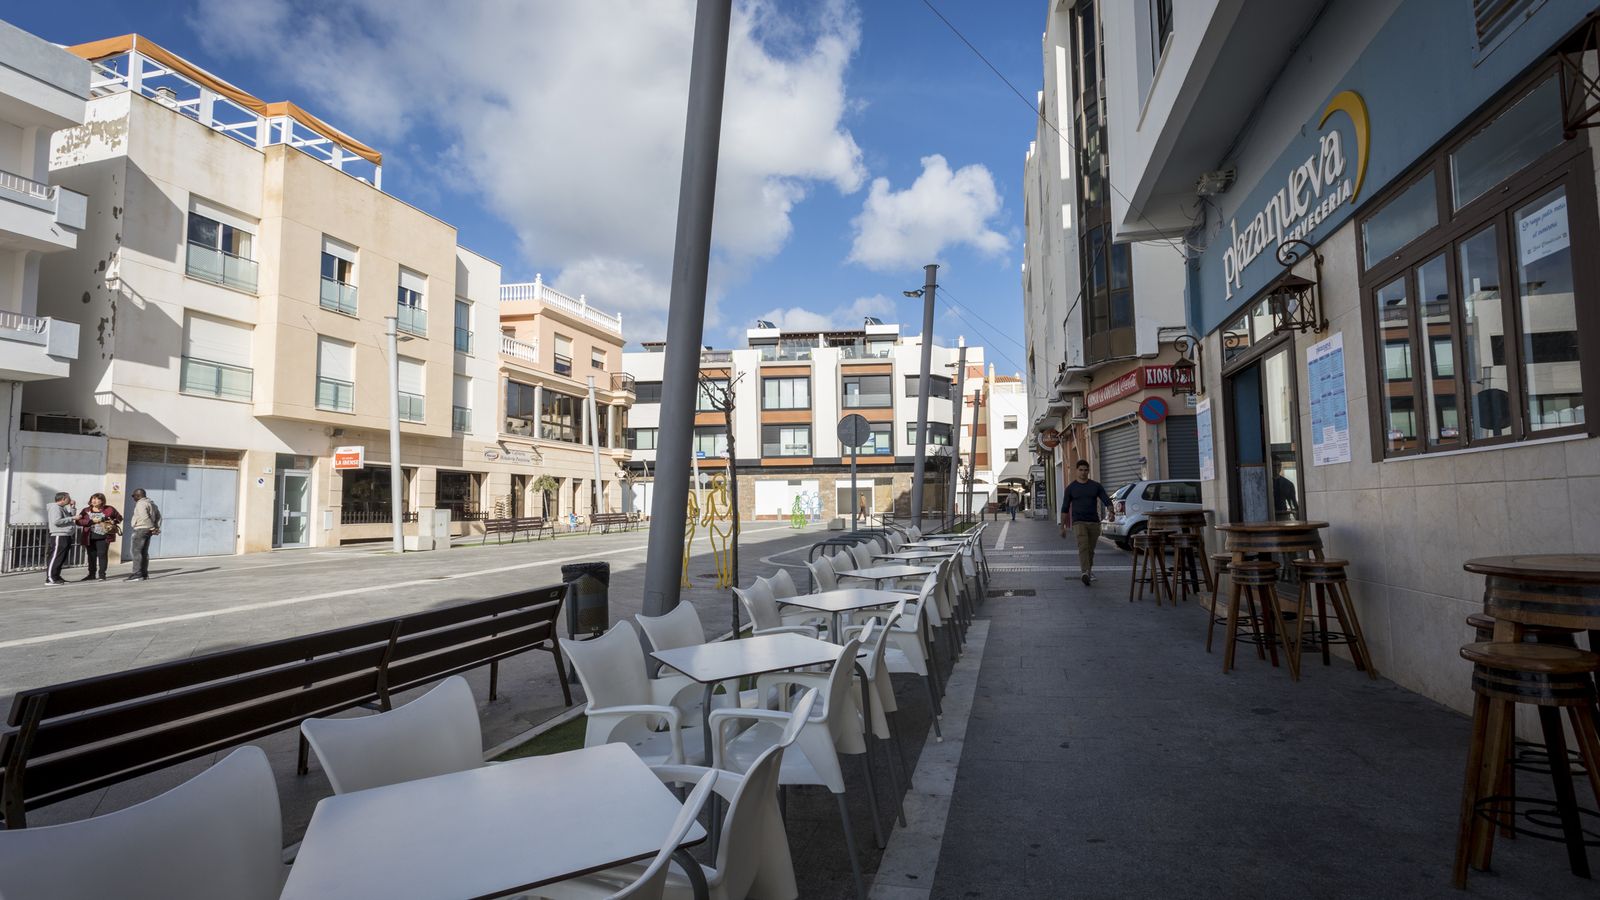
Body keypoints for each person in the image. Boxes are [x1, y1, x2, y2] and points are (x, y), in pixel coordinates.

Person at [1060, 459, 1113, 586]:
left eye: (1086, 470)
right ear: (1076, 471)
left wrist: (1111, 512)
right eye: (1081, 470)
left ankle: (1088, 571)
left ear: (1088, 471)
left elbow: (1106, 500)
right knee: (1083, 547)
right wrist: (1062, 527)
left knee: (1090, 550)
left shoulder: (1095, 486)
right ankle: (1085, 572)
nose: (1083, 472)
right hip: (1079, 522)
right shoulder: (1071, 488)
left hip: (1094, 523)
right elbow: (1065, 508)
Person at [75, 493, 122, 581]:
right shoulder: (86, 510)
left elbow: (119, 518)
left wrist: (113, 521)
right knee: (91, 556)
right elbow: (78, 522)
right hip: (89, 537)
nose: (94, 501)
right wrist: (91, 521)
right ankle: (91, 574)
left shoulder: (109, 509)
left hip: (104, 537)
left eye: (97, 499)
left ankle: (102, 575)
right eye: (93, 498)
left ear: (102, 501)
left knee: (102, 555)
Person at [126, 488, 161, 581]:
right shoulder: (152, 503)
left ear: (138, 495)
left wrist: (153, 528)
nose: (133, 498)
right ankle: (144, 574)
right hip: (148, 530)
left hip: (141, 529)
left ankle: (137, 573)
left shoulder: (141, 503)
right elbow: (159, 517)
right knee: (144, 552)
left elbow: (144, 516)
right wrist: (156, 528)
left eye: (133, 496)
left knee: (136, 552)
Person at [45, 491, 76, 585]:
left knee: (61, 558)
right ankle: (51, 578)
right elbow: (57, 521)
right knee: (56, 557)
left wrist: (72, 508)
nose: (70, 499)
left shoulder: (62, 508)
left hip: (65, 534)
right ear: (63, 499)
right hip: (59, 535)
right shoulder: (55, 507)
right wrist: (74, 518)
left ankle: (56, 576)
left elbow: (70, 516)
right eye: (68, 498)